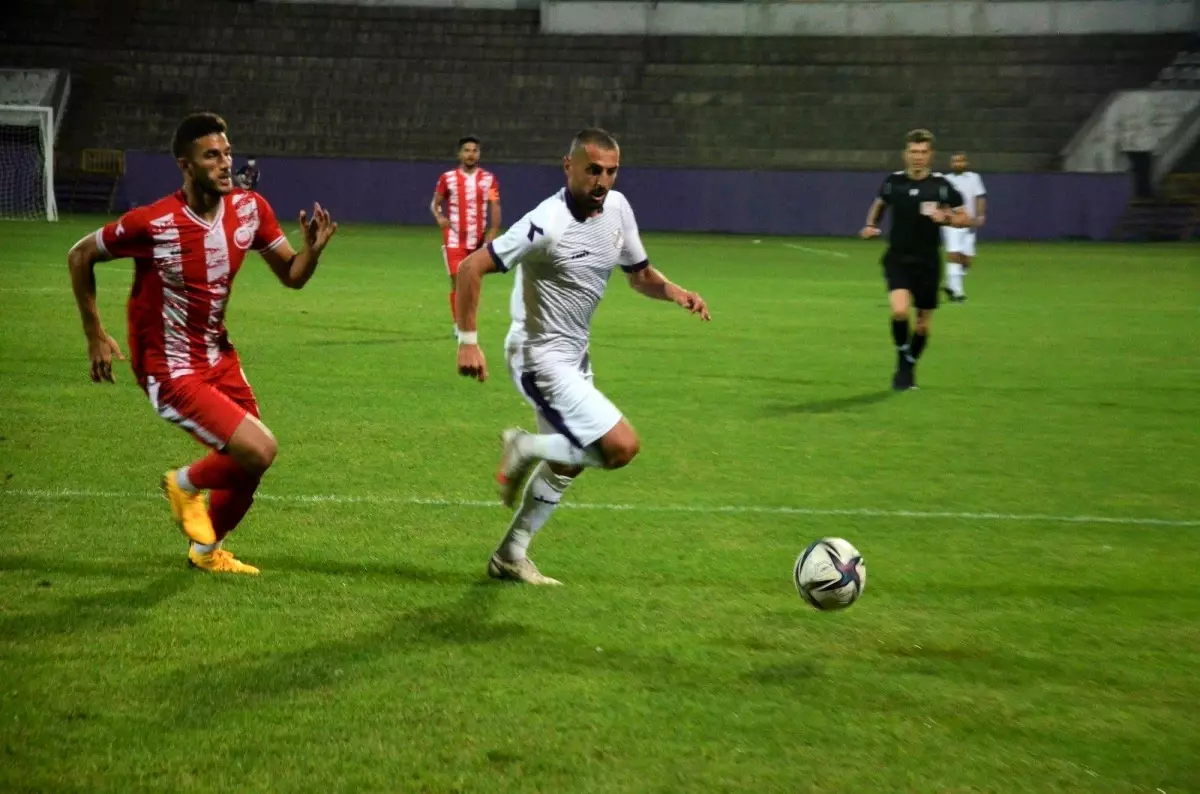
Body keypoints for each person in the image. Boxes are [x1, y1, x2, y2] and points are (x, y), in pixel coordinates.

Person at [66, 112, 338, 574]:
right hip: (168, 367)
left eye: (227, 152)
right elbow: (80, 255)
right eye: (212, 155)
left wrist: (311, 252)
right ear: (186, 166)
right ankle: (184, 482)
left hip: (219, 357)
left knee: (251, 465)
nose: (225, 162)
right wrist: (95, 332)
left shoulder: (250, 210)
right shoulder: (153, 223)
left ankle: (205, 552)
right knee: (261, 449)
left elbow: (292, 276)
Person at [453, 128, 711, 585]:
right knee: (619, 447)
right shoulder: (545, 222)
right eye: (593, 170)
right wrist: (468, 340)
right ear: (567, 167)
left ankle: (510, 555)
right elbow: (472, 266)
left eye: (610, 171)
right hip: (537, 357)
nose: (602, 181)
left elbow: (639, 275)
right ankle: (524, 446)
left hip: (574, 358)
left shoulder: (618, 208)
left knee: (569, 460)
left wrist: (675, 292)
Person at [860, 129, 969, 391]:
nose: (918, 157)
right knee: (899, 310)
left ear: (930, 154)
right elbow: (879, 204)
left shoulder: (941, 186)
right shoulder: (893, 182)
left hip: (928, 262)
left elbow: (964, 217)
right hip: (898, 258)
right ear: (905, 154)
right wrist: (871, 225)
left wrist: (948, 219)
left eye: (923, 152)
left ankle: (907, 368)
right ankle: (903, 361)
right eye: (913, 152)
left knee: (922, 325)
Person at [430, 135, 501, 339]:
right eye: (467, 150)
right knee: (457, 280)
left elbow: (495, 205)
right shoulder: (447, 178)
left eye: (474, 151)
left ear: (479, 154)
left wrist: (492, 233)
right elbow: (435, 203)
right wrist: (440, 216)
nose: (471, 154)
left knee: (470, 283)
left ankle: (465, 321)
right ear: (460, 154)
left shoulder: (488, 180)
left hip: (478, 240)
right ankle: (459, 324)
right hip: (454, 239)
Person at [941, 152, 987, 302]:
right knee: (954, 254)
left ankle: (950, 283)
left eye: (961, 161)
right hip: (952, 223)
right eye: (955, 161)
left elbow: (980, 197)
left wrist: (980, 215)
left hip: (969, 223)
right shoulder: (946, 180)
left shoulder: (974, 178)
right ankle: (958, 293)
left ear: (966, 162)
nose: (958, 164)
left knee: (966, 260)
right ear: (951, 163)